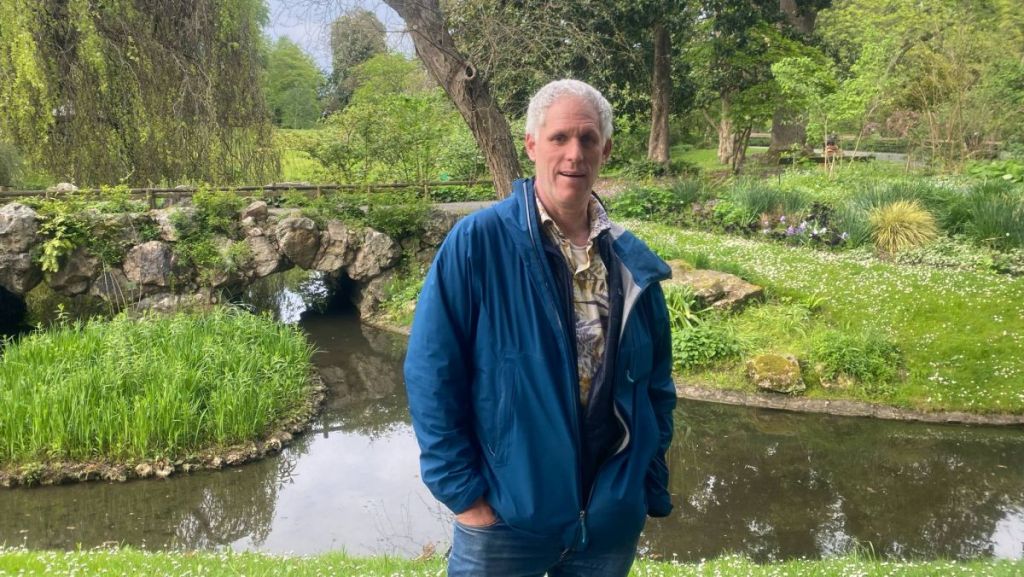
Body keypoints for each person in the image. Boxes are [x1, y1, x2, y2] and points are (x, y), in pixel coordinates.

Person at [404, 79, 676, 577]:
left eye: (588, 139)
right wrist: (465, 498)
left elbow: (656, 385)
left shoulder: (632, 263)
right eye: (559, 138)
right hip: (506, 520)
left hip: (608, 521)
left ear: (606, 150)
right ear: (532, 145)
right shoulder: (478, 244)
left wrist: (645, 479)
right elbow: (431, 374)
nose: (575, 154)